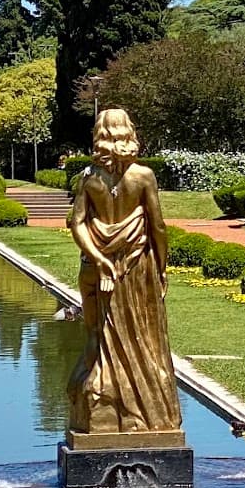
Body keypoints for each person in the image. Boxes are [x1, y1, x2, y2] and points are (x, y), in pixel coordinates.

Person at [65, 109, 181, 436]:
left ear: (100, 134)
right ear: (128, 132)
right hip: (138, 267)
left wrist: (99, 258)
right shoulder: (143, 176)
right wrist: (161, 267)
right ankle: (147, 411)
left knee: (98, 332)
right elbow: (158, 226)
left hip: (96, 266)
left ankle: (106, 395)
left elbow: (77, 223)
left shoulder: (89, 177)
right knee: (143, 335)